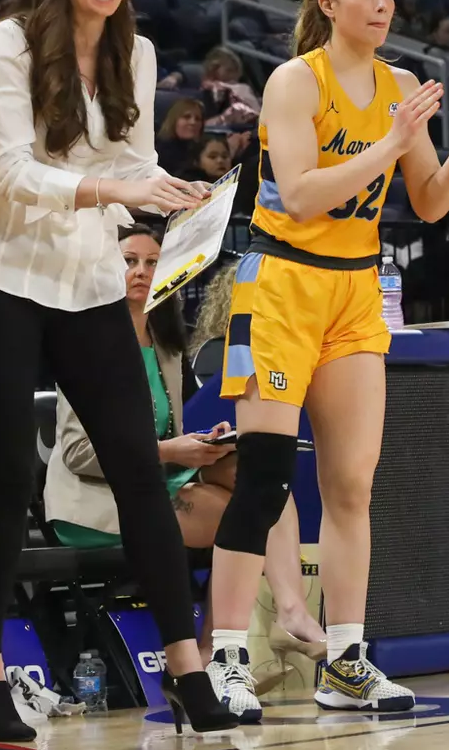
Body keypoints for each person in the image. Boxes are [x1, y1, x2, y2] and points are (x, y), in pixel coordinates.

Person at [0, 0, 235, 739]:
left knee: (140, 469)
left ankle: (185, 669)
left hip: (85, 274)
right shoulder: (6, 45)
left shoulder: (133, 54)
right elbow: (6, 171)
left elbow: (129, 162)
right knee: (5, 479)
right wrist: (117, 193)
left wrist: (178, 189)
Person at [205, 0, 449, 721]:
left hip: (354, 293)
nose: (382, 3)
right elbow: (302, 197)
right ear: (329, 5)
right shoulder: (292, 80)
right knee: (265, 477)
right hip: (279, 283)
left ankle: (346, 659)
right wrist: (390, 143)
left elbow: (432, 203)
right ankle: (227, 658)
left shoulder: (401, 87)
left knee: (349, 485)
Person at [46, 225, 323, 718]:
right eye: (129, 260)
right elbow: (77, 454)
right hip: (97, 501)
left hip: (154, 485)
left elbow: (166, 431)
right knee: (244, 515)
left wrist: (203, 442)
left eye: (152, 264)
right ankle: (210, 656)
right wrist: (171, 451)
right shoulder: (85, 340)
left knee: (258, 476)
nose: (140, 272)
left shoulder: (165, 342)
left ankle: (284, 612)